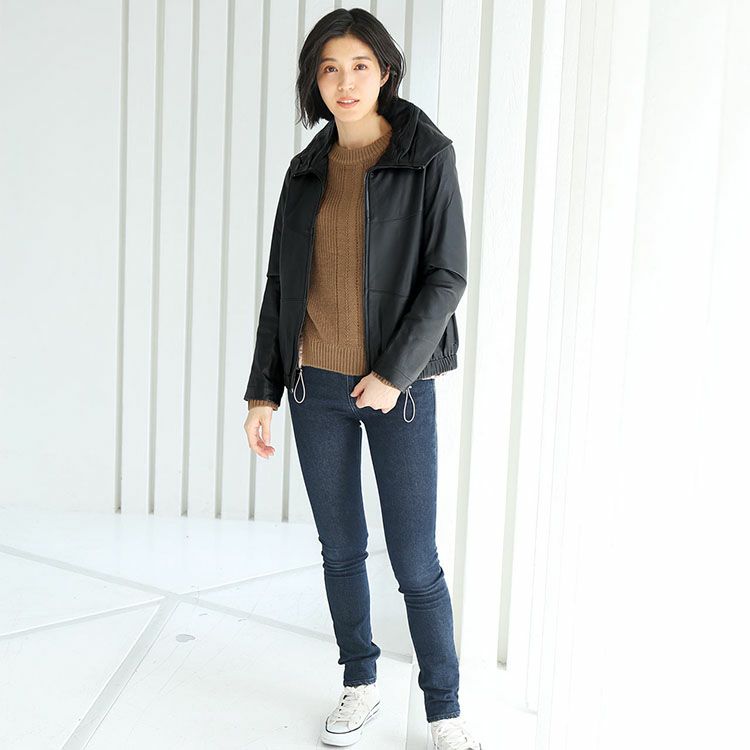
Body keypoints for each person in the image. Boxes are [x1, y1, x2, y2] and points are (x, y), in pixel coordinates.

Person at [243, 8, 481, 750]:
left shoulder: (427, 155)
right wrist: (262, 391)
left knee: (414, 561)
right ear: (314, 82)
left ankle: (444, 711)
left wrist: (391, 373)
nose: (344, 83)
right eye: (329, 69)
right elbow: (282, 284)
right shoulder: (305, 171)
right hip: (314, 390)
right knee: (341, 549)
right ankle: (359, 681)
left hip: (396, 394)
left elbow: (447, 276)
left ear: (385, 72)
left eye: (359, 66)